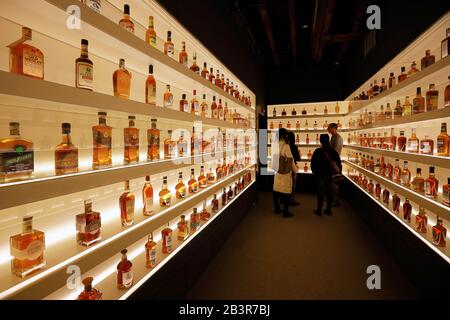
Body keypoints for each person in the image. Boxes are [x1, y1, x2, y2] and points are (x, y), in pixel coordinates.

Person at [311, 134, 342, 216]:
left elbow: (313, 163)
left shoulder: (318, 151)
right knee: (329, 192)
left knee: (320, 192)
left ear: (321, 141)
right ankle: (329, 209)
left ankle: (319, 210)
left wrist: (314, 171)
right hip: (330, 175)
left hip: (320, 174)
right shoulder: (333, 151)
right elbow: (338, 163)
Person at [272, 128, 298, 218]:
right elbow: (291, 160)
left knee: (276, 190)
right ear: (284, 135)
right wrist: (295, 170)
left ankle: (277, 208)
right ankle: (286, 212)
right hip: (285, 172)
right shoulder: (286, 146)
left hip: (277, 171)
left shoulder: (274, 145)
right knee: (286, 191)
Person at [327, 123, 343, 206]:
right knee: (333, 181)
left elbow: (335, 152)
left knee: (335, 182)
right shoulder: (334, 137)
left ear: (333, 128)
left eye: (329, 128)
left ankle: (336, 201)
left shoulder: (337, 138)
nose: (327, 129)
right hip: (333, 161)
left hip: (335, 162)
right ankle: (333, 199)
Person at [286, 131, 300, 206]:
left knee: (285, 184)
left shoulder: (284, 146)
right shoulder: (294, 147)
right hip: (292, 167)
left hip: (284, 167)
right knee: (292, 185)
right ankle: (291, 200)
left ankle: (284, 199)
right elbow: (297, 158)